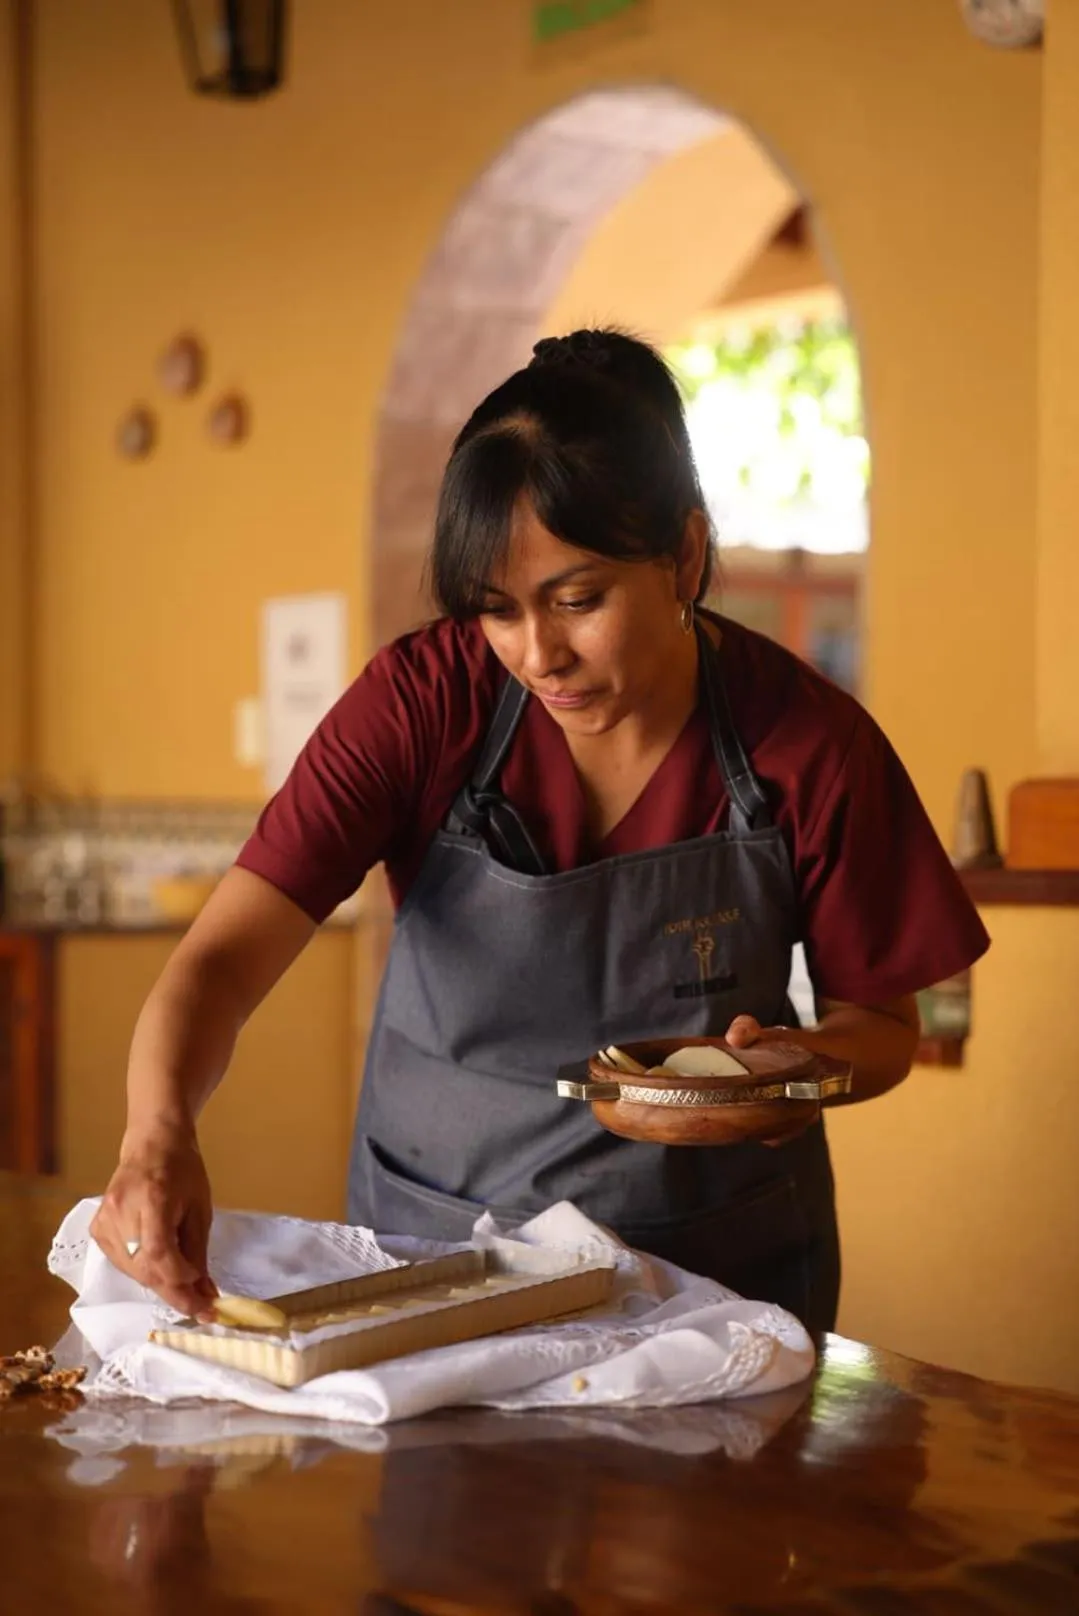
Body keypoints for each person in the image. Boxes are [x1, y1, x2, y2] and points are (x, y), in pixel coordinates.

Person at [91, 329, 989, 1334]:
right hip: (433, 1271)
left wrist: (793, 1069)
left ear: (683, 555)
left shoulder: (807, 742)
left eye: (577, 599)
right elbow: (219, 960)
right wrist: (155, 1133)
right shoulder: (420, 704)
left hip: (707, 1291)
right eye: (497, 611)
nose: (537, 654)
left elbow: (882, 1025)